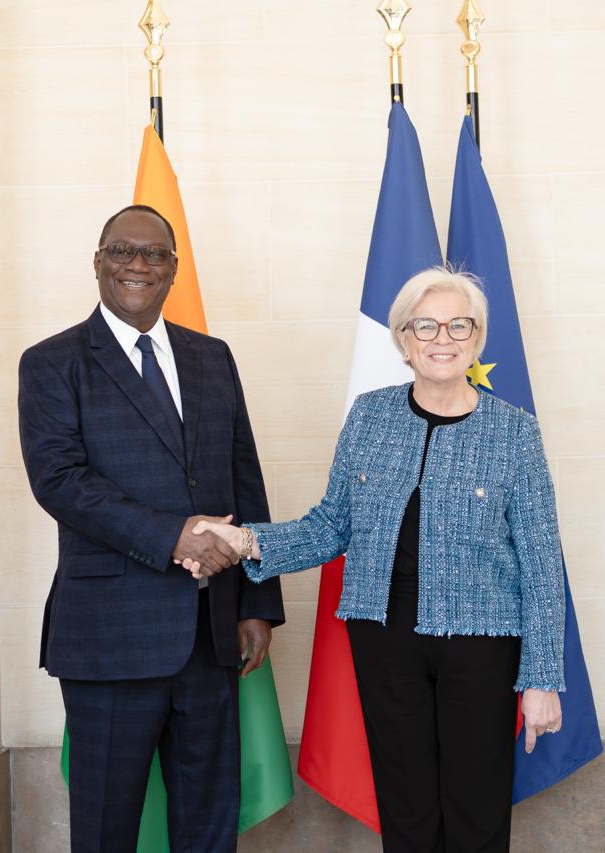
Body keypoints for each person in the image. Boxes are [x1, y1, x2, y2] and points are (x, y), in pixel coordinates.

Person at [188, 268, 565, 852]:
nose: (442, 338)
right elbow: (331, 526)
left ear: (477, 338)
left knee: (477, 806)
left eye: (458, 325)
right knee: (405, 807)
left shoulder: (514, 432)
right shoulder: (369, 416)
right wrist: (244, 543)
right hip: (384, 638)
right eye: (425, 326)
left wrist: (542, 678)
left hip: (482, 642)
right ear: (403, 340)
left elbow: (541, 564)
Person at [17, 204, 285, 853]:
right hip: (111, 638)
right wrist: (173, 537)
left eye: (153, 254)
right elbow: (60, 481)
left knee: (209, 827)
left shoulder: (212, 358)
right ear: (98, 262)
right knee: (106, 830)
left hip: (210, 636)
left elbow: (244, 478)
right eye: (121, 250)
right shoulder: (52, 362)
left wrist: (257, 603)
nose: (137, 264)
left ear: (173, 268)